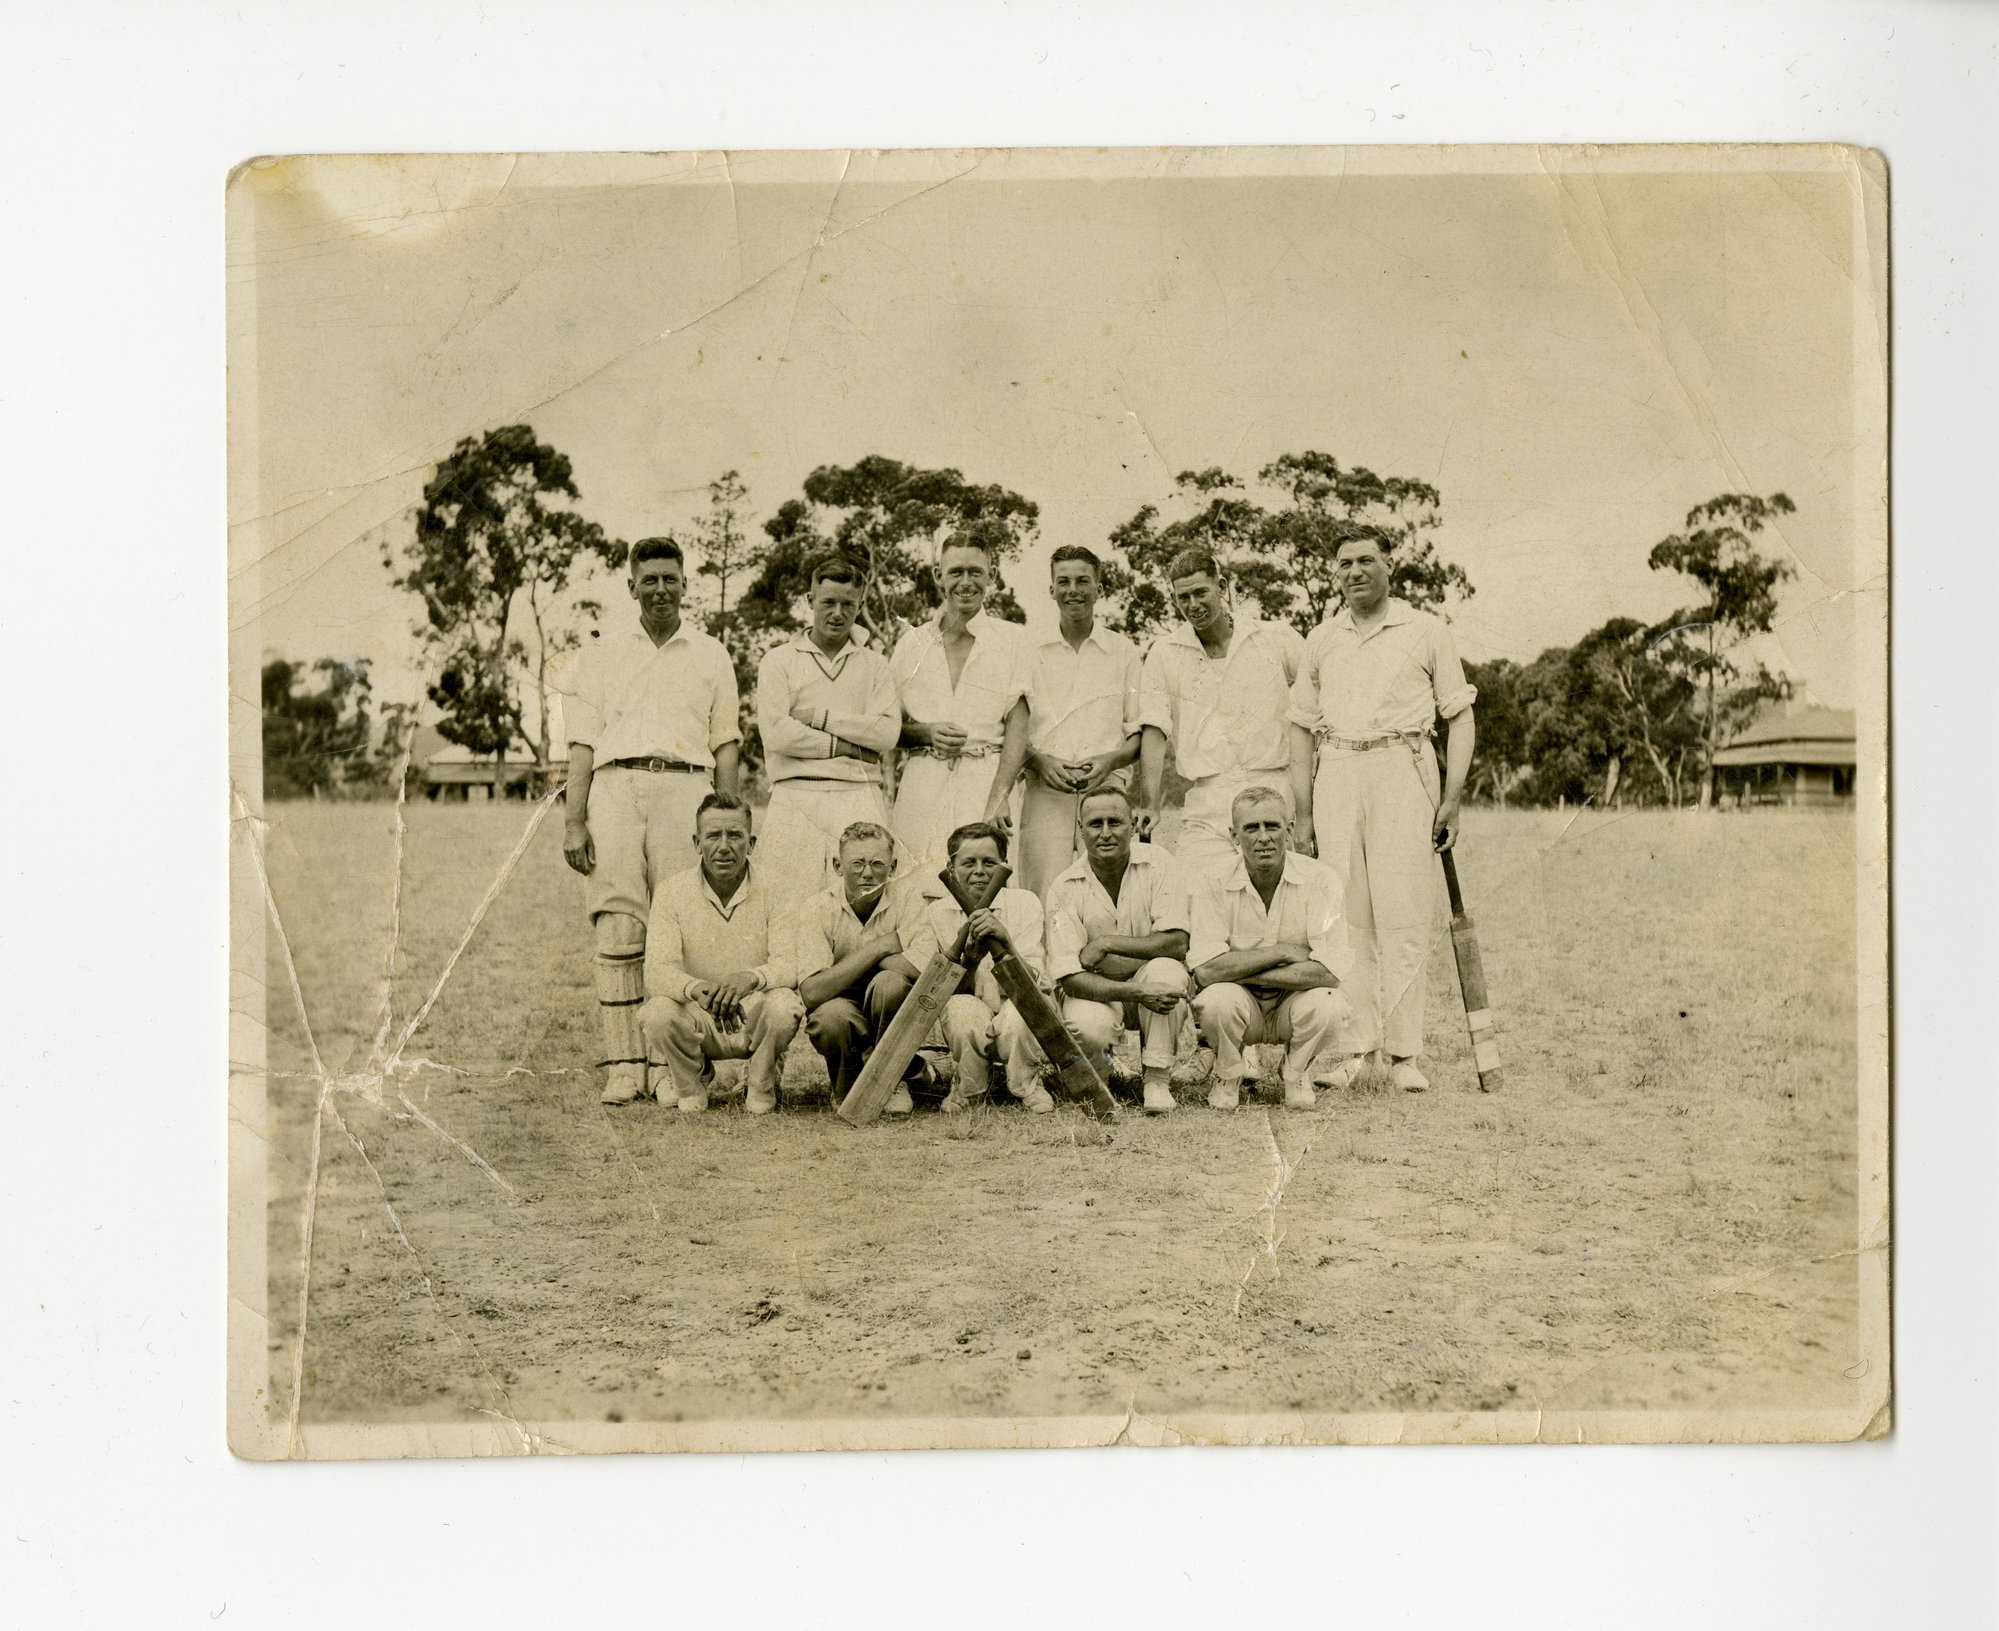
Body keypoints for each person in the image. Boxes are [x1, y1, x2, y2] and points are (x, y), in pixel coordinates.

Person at [1286, 534, 1475, 1094]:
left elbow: (1459, 717)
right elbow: (1300, 725)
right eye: (1344, 563)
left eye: (1367, 560)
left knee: (1403, 915)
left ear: (1390, 566)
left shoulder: (1425, 630)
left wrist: (1453, 797)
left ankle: (1403, 1055)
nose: (1355, 571)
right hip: (1338, 770)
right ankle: (1353, 1050)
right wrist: (1303, 815)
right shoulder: (1321, 640)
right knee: (1346, 917)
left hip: (1403, 766)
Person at [560, 537, 742, 1108]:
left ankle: (670, 1066)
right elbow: (583, 744)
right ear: (631, 585)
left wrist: (727, 821)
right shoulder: (601, 651)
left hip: (688, 787)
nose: (660, 589)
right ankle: (624, 1067)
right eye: (650, 579)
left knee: (676, 927)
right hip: (614, 789)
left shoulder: (712, 653)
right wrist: (574, 821)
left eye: (670, 578)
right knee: (619, 927)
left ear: (685, 584)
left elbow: (727, 743)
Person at [1137, 548, 1306, 887]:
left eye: (1201, 592)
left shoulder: (1274, 637)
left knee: (1283, 899)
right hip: (1207, 799)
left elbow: (1314, 712)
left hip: (1274, 789)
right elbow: (1154, 730)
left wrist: (1307, 810)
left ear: (1222, 586)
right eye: (1183, 597)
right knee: (1194, 898)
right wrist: (1150, 804)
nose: (1194, 605)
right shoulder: (1165, 653)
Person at [639, 793, 805, 1115]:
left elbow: (790, 963)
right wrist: (697, 989)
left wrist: (750, 978)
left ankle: (760, 1082)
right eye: (713, 835)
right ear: (697, 842)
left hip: (752, 1012)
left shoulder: (779, 888)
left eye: (735, 835)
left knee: (784, 1005)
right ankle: (691, 1081)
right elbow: (657, 970)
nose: (724, 846)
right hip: (700, 1016)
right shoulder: (672, 891)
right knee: (656, 1012)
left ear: (752, 842)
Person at [1188, 786, 1350, 1111]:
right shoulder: (1211, 880)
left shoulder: (1321, 879)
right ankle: (1229, 1073)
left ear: (1289, 830)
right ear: (1234, 835)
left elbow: (1330, 973)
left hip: (1293, 1003)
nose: (1263, 837)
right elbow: (1206, 970)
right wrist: (1282, 952)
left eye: (1272, 826)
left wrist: (1242, 968)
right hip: (1242, 1003)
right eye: (1251, 828)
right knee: (1213, 1002)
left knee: (1330, 1005)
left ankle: (1296, 1072)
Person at [754, 550, 900, 907]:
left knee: (862, 904)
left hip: (858, 794)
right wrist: (848, 747)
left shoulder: (876, 665)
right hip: (795, 796)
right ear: (809, 600)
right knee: (786, 906)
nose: (837, 613)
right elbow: (777, 734)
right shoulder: (779, 660)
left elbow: (885, 735)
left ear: (859, 603)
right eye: (828, 602)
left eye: (847, 604)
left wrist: (819, 718)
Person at [889, 529, 1032, 876]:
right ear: (939, 575)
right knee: (915, 885)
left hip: (985, 782)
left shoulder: (1013, 639)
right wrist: (925, 733)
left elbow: (1019, 724)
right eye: (955, 572)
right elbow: (889, 726)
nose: (965, 582)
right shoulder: (911, 644)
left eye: (975, 572)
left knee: (985, 890)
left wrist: (999, 796)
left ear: (991, 576)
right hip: (922, 783)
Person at [1044, 786, 1191, 1115]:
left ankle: (1156, 1079)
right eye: (1096, 824)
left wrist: (1106, 943)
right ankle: (1106, 1074)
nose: (1106, 833)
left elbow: (1177, 942)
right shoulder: (1063, 886)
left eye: (1116, 822)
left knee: (1167, 971)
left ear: (1132, 825)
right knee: (1087, 1024)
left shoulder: (1159, 864)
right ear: (1080, 830)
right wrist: (1138, 991)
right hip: (1101, 990)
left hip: (1149, 977)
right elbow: (1070, 978)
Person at [1016, 545, 1143, 897]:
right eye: (1064, 581)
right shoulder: (1028, 650)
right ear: (1051, 589)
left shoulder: (1124, 651)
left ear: (1099, 588)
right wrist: (1039, 761)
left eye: (1083, 581)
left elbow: (1139, 734)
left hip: (1106, 794)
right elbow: (1011, 731)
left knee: (1108, 890)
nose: (1074, 590)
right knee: (1042, 892)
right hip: (1045, 792)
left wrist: (1109, 761)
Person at [905, 821, 1055, 1114]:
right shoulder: (935, 914)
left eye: (990, 862)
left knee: (1017, 1015)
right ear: (951, 868)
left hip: (1018, 1006)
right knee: (962, 1009)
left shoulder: (1025, 903)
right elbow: (942, 995)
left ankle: (1027, 1083)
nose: (979, 871)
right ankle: (968, 1087)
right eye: (968, 862)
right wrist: (970, 962)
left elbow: (1033, 982)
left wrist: (1006, 943)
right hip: (970, 1008)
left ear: (1004, 865)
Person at [794, 821, 931, 1114]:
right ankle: (849, 1080)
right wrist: (878, 948)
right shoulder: (817, 908)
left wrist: (848, 971)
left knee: (890, 985)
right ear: (837, 865)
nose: (867, 873)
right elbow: (812, 992)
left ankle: (892, 1077)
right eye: (857, 864)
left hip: (885, 1001)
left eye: (877, 864)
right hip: (840, 1006)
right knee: (831, 1016)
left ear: (893, 866)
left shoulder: (908, 900)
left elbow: (925, 970)